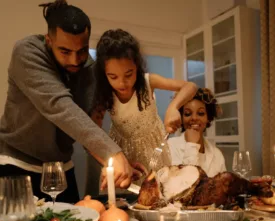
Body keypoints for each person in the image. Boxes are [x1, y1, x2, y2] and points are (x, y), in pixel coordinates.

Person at [0, 0, 134, 203]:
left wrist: (119, 165)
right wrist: (113, 152)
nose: (74, 60)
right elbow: (59, 107)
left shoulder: (90, 69)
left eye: (82, 51)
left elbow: (86, 129)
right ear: (48, 40)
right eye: (65, 51)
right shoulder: (27, 52)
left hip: (62, 168)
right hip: (17, 164)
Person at [92, 29, 198, 185]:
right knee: (128, 198)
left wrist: (173, 107)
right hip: (123, 153)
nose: (122, 83)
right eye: (113, 76)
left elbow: (191, 86)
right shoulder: (104, 93)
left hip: (154, 150)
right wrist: (112, 162)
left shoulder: (149, 82)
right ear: (104, 73)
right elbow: (92, 134)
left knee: (159, 193)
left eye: (129, 74)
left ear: (137, 66)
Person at [167, 88, 226, 177]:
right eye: (187, 113)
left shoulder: (217, 154)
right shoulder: (170, 147)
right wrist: (191, 145)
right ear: (181, 118)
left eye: (201, 113)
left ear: (208, 118)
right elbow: (184, 185)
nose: (194, 118)